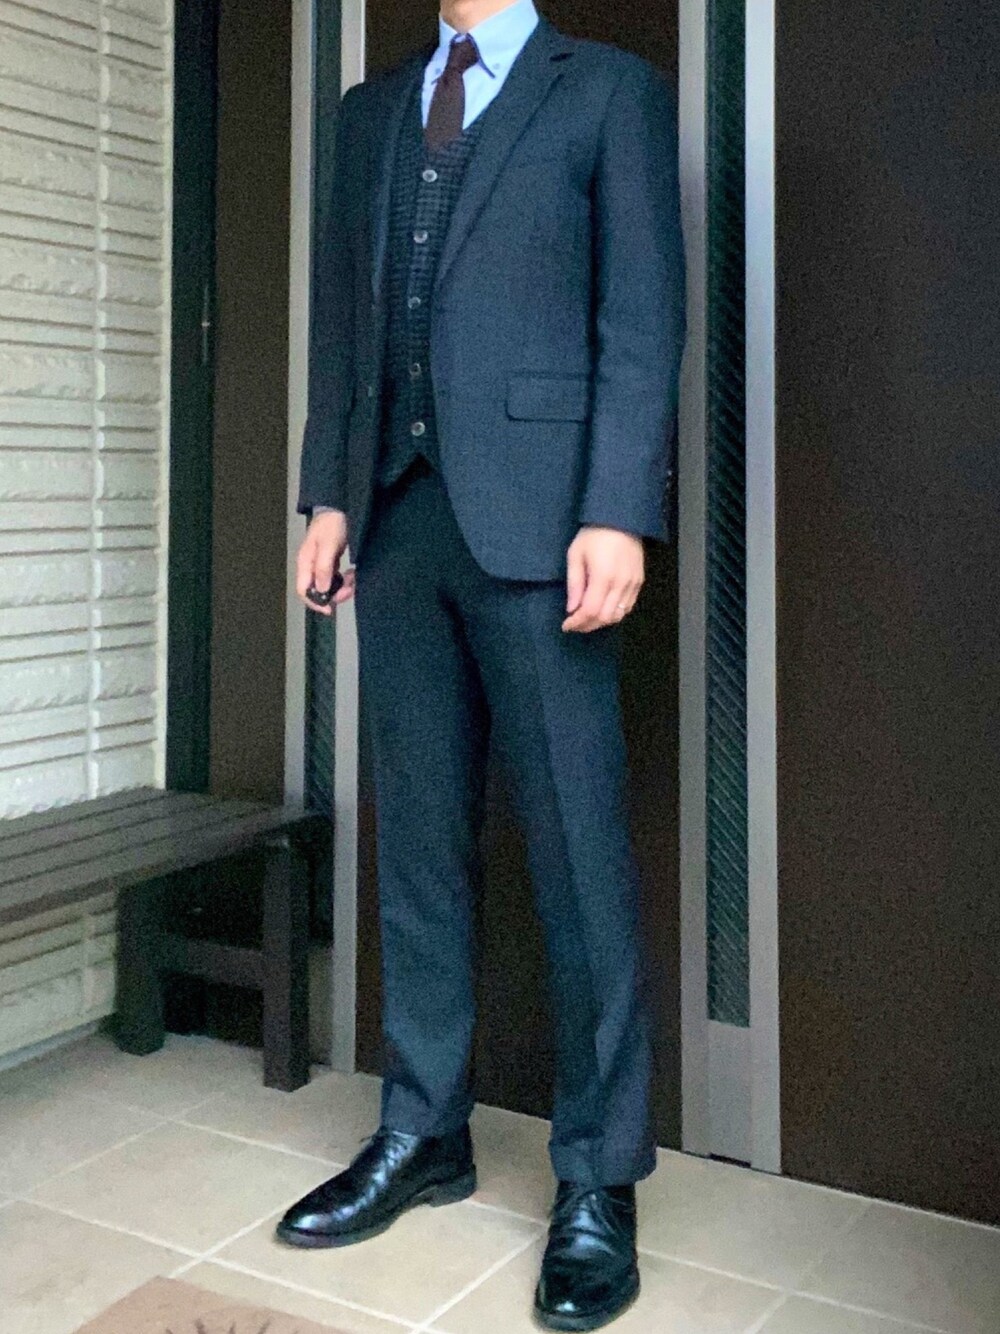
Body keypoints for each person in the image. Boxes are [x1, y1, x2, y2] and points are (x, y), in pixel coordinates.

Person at [278, 1, 686, 1328]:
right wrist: (329, 495)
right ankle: (424, 1128)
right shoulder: (370, 114)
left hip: (545, 526)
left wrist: (617, 509)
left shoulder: (607, 92)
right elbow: (345, 320)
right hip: (397, 523)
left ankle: (598, 1175)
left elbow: (643, 315)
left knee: (577, 852)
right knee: (418, 843)